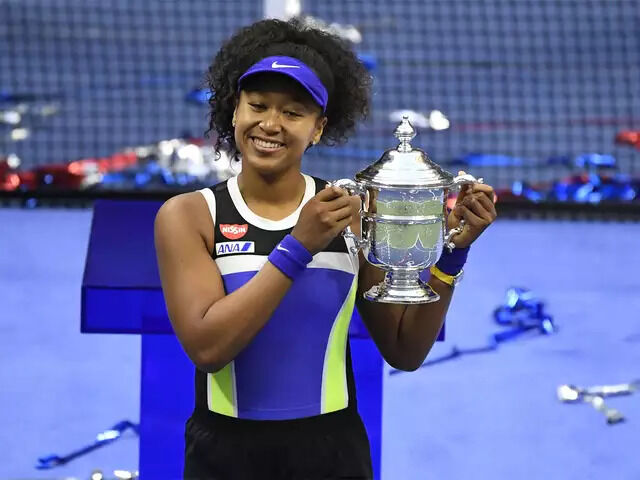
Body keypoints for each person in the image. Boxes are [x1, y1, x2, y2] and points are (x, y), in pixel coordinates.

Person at [154, 18, 497, 480]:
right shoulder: (189, 215)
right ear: (234, 111)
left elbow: (405, 349)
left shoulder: (350, 213)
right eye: (257, 105)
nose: (270, 124)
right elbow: (208, 348)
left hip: (333, 455)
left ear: (318, 128)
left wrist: (452, 253)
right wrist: (299, 246)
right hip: (224, 457)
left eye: (293, 113)